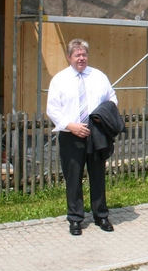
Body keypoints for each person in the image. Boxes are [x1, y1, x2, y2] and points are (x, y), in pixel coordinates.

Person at [46, 39, 118, 237]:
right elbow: (52, 108)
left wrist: (100, 118)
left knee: (97, 175)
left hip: (95, 135)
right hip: (71, 135)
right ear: (69, 57)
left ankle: (101, 215)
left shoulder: (99, 76)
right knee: (73, 178)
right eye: (77, 55)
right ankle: (76, 218)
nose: (81, 58)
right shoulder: (59, 80)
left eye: (84, 54)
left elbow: (112, 99)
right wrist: (70, 126)